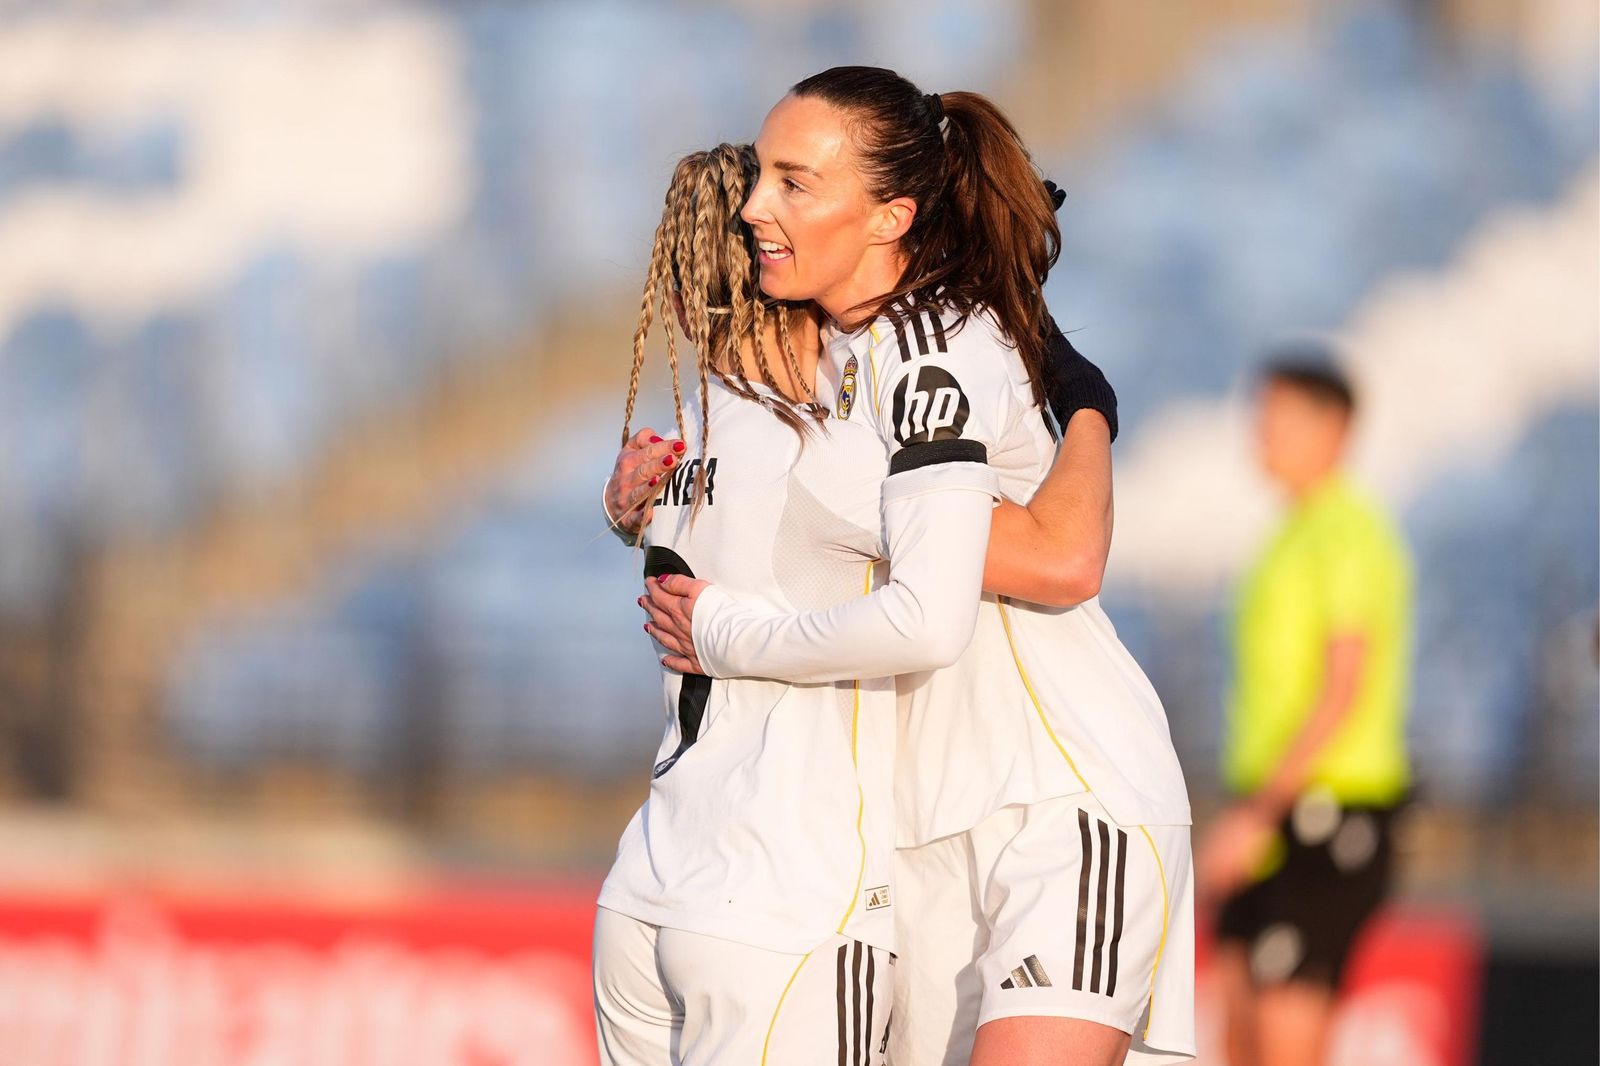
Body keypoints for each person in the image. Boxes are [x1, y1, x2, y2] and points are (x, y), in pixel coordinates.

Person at [636, 67, 1194, 1066]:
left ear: (891, 216)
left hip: (1055, 798)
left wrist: (1092, 404)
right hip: (912, 834)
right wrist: (633, 503)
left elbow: (1063, 558)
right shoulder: (837, 359)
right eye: (763, 176)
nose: (755, 206)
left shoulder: (937, 346)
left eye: (794, 184)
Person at [1199, 352, 1413, 1066]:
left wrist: (1258, 813)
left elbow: (1341, 690)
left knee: (1284, 1038)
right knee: (1234, 1025)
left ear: (1337, 429)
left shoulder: (1348, 532)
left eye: (1282, 419)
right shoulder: (1285, 535)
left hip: (1327, 808)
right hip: (1269, 803)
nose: (1262, 433)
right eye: (1262, 416)